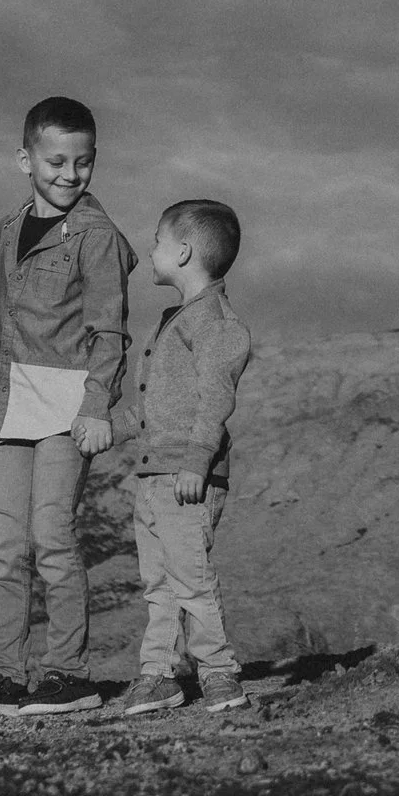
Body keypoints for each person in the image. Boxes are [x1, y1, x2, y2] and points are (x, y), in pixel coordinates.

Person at [0, 98, 134, 719]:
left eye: (83, 162)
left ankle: (68, 675)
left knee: (52, 536)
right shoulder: (6, 230)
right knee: (5, 543)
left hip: (66, 409)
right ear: (25, 160)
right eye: (56, 161)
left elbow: (110, 331)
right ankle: (5, 674)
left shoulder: (97, 237)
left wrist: (97, 406)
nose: (70, 174)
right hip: (6, 401)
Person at [119, 199, 253, 716]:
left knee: (191, 580)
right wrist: (109, 431)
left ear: (183, 251)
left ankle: (219, 673)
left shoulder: (215, 323)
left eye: (157, 240)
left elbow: (215, 398)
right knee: (158, 584)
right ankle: (159, 675)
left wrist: (197, 461)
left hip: (185, 476)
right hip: (155, 475)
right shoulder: (175, 321)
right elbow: (150, 410)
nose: (150, 249)